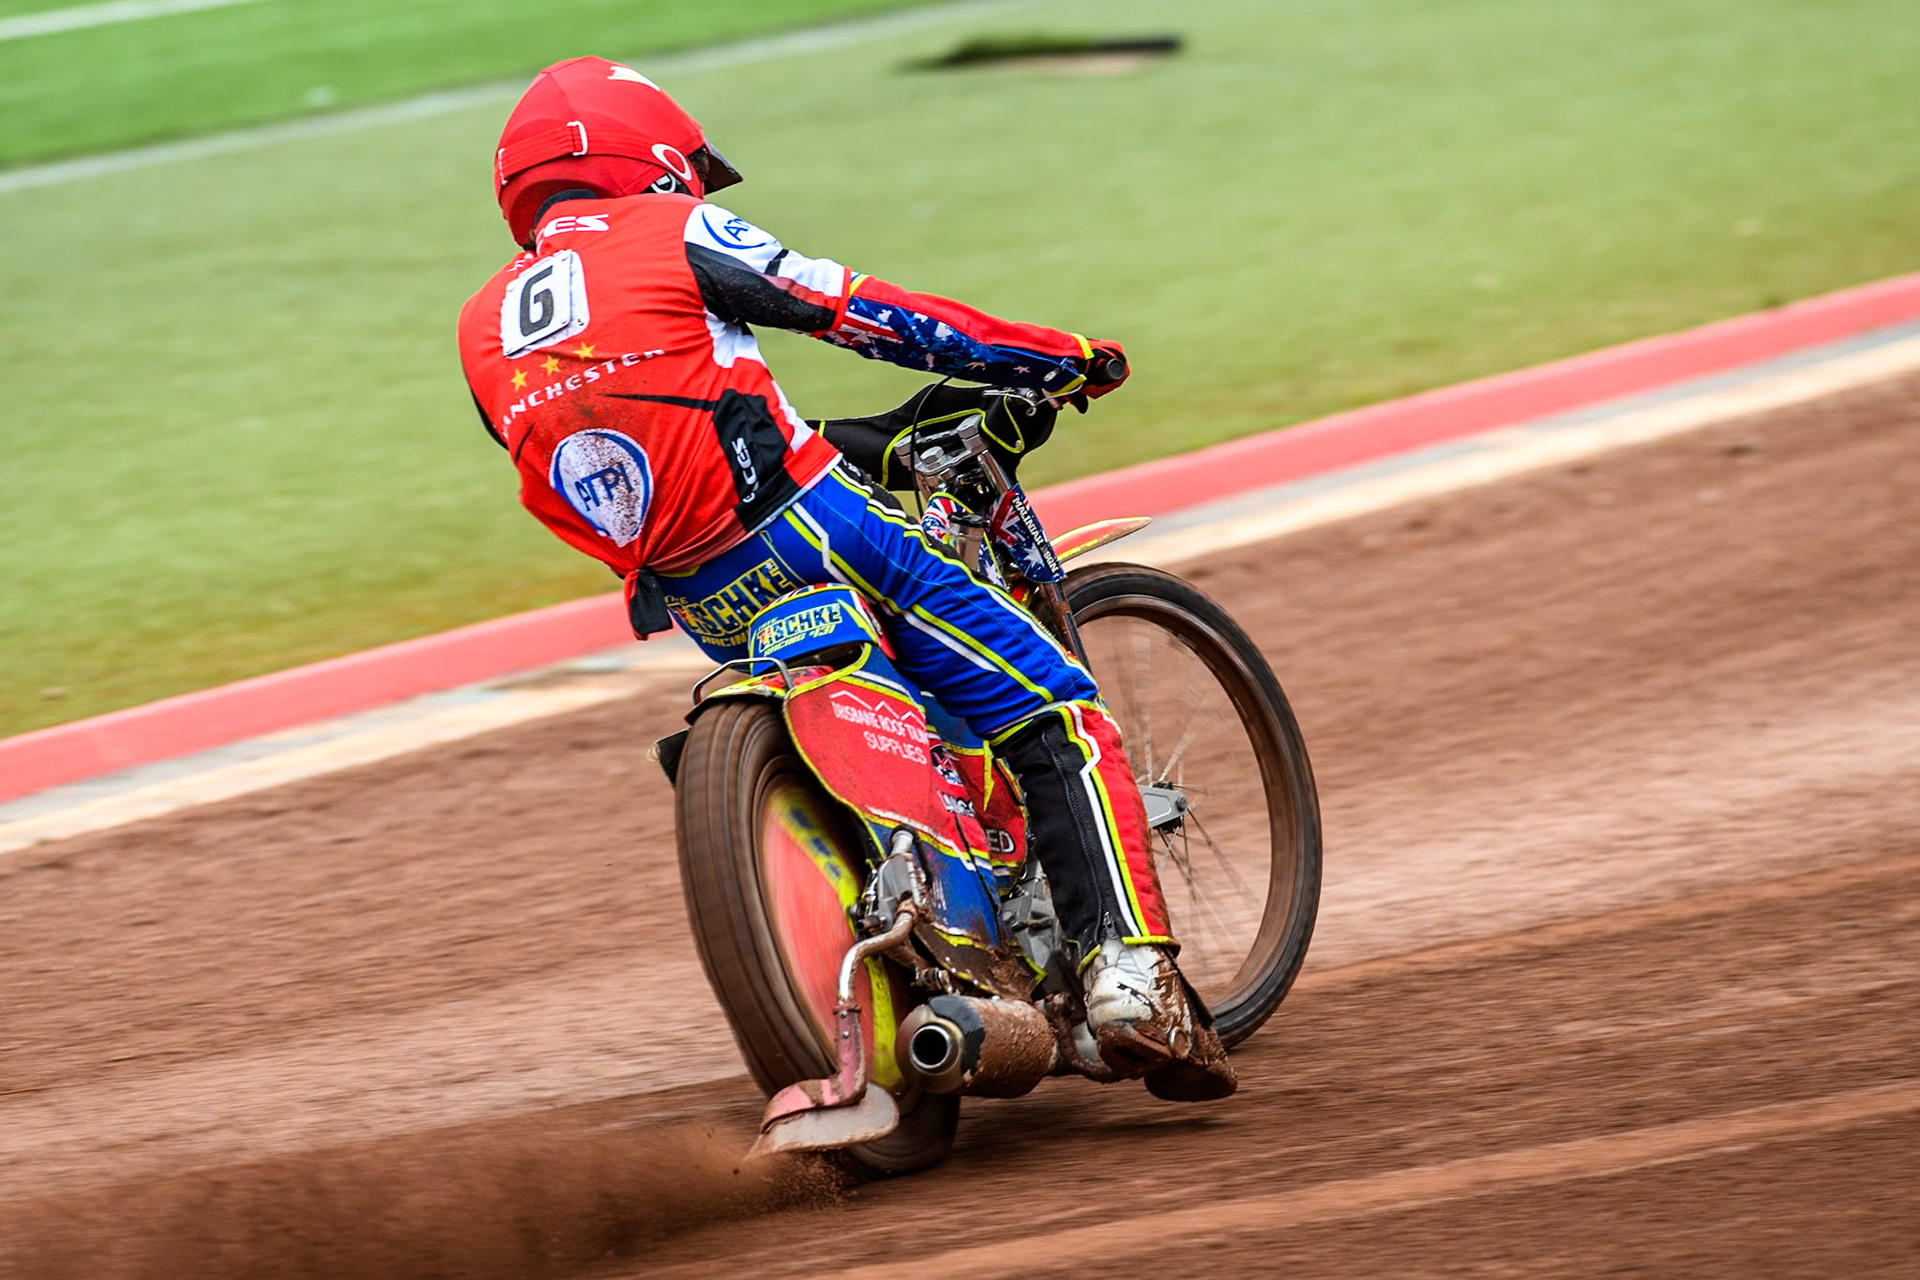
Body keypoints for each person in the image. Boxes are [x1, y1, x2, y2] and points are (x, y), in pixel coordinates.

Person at [456, 56, 1232, 1100]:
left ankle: (923, 903)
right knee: (1056, 708)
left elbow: (667, 426)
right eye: (685, 170)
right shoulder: (673, 231)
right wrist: (1047, 354)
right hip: (814, 532)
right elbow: (869, 314)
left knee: (893, 683)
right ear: (644, 161)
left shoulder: (484, 325)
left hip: (697, 598)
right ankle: (1132, 979)